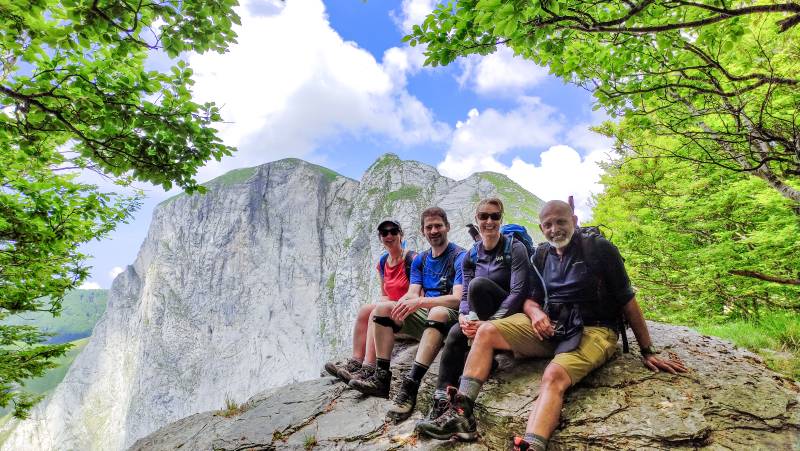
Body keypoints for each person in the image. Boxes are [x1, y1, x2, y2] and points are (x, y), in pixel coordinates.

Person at [417, 200, 688, 449]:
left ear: (574, 221)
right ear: (541, 228)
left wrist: (648, 350)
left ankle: (532, 445)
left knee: (553, 375)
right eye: (548, 224)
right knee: (486, 331)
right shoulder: (542, 254)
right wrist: (536, 314)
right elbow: (529, 299)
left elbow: (627, 299)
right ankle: (462, 414)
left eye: (561, 222)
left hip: (595, 328)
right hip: (552, 325)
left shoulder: (598, 249)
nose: (554, 229)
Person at [409, 198, 528, 430]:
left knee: (479, 285)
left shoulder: (515, 248)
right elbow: (464, 297)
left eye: (494, 216)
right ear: (477, 219)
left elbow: (518, 293)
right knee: (455, 332)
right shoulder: (472, 255)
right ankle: (441, 401)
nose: (489, 221)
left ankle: (482, 354)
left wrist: (489, 323)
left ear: (501, 219)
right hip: (481, 318)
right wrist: (464, 316)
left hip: (508, 316)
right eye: (483, 216)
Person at [349, 207, 465, 400]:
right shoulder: (422, 260)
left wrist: (420, 301)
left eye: (438, 226)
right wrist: (400, 305)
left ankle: (411, 384)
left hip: (450, 320)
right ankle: (381, 378)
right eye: (429, 227)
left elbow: (457, 299)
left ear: (447, 227)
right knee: (382, 309)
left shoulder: (459, 256)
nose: (434, 231)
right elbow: (412, 293)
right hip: (427, 317)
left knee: (437, 311)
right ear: (423, 231)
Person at [324, 219, 415, 384]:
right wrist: (385, 304)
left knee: (375, 312)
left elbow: (417, 293)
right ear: (380, 238)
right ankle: (356, 362)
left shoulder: (412, 259)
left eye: (393, 231)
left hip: (409, 311)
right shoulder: (383, 262)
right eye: (384, 233)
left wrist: (387, 306)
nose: (389, 236)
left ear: (401, 234)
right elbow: (385, 294)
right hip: (392, 309)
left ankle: (369, 367)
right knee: (365, 310)